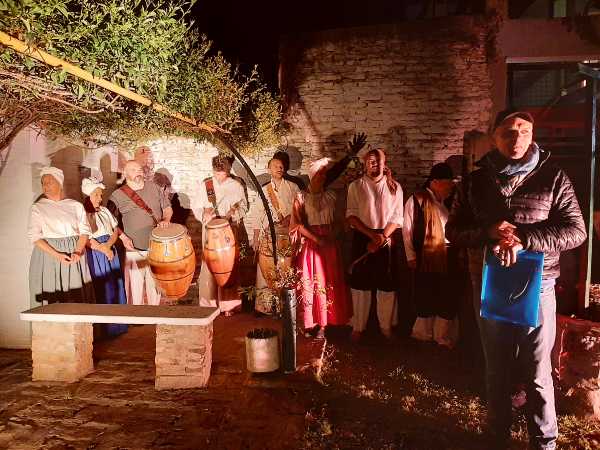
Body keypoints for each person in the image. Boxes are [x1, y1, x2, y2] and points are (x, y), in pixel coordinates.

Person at [446, 109, 586, 450]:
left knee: (537, 371)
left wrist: (524, 238)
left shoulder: (553, 176)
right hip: (489, 286)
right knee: (496, 369)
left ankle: (544, 441)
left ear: (533, 133)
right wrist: (488, 232)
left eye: (524, 130)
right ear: (494, 137)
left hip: (537, 287)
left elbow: (576, 231)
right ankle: (497, 436)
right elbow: (453, 231)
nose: (517, 138)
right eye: (508, 132)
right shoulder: (475, 182)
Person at [346, 148, 404, 340]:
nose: (374, 164)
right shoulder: (356, 186)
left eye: (378, 161)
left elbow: (397, 216)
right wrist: (372, 236)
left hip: (386, 238)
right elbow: (352, 216)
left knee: (386, 285)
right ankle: (359, 326)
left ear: (384, 162)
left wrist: (382, 237)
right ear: (365, 163)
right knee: (360, 285)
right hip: (363, 236)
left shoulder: (395, 187)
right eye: (370, 161)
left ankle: (385, 327)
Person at [291, 158, 351, 338]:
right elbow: (297, 224)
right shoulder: (301, 196)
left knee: (329, 281)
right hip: (312, 245)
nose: (322, 177)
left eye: (324, 174)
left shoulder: (331, 195)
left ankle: (327, 323)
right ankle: (312, 322)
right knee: (312, 282)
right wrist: (316, 238)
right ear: (311, 176)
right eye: (319, 174)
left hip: (330, 244)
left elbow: (340, 220)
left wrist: (334, 234)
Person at [402, 162, 458, 348]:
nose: (451, 187)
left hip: (447, 255)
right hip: (425, 256)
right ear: (435, 182)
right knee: (426, 294)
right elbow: (407, 229)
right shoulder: (417, 200)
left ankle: (441, 336)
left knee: (446, 294)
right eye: (448, 183)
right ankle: (422, 333)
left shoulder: (445, 202)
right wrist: (410, 255)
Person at [108, 160, 173, 306]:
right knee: (134, 286)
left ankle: (154, 312)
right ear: (125, 174)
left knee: (155, 284)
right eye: (133, 169)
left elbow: (167, 208)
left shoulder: (155, 188)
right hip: (133, 247)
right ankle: (135, 315)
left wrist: (166, 219)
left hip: (157, 246)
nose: (137, 171)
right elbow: (109, 219)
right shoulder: (116, 195)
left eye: (139, 169)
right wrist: (123, 237)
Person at [28, 167, 95, 304]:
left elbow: (84, 231)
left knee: (75, 293)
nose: (45, 186)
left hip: (73, 253)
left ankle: (77, 324)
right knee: (52, 291)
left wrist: (78, 250)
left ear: (60, 183)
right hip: (48, 256)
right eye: (43, 183)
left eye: (50, 182)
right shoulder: (38, 207)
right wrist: (57, 254)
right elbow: (34, 237)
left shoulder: (75, 205)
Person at [195, 155, 248, 315]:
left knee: (228, 266)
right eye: (216, 173)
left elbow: (244, 206)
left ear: (228, 170)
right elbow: (196, 206)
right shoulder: (206, 185)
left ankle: (229, 306)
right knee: (208, 266)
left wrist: (234, 212)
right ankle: (208, 306)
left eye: (222, 174)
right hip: (210, 229)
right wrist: (203, 213)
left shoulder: (236, 185)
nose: (219, 177)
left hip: (228, 228)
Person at [253, 155, 301, 314]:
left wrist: (291, 218)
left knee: (286, 269)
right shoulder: (264, 189)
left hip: (288, 234)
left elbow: (301, 209)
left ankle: (286, 307)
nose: (279, 169)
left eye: (281, 166)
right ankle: (265, 307)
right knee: (265, 270)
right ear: (269, 169)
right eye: (275, 166)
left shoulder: (293, 187)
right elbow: (258, 214)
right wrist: (255, 238)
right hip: (268, 234)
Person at [82, 177, 128, 337]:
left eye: (100, 195)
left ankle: (119, 326)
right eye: (96, 195)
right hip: (97, 254)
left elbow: (114, 230)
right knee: (104, 287)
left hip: (109, 249)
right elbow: (86, 239)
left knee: (117, 285)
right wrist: (103, 249)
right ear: (88, 195)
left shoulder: (105, 211)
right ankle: (105, 329)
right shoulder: (83, 213)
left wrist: (109, 246)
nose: (100, 198)